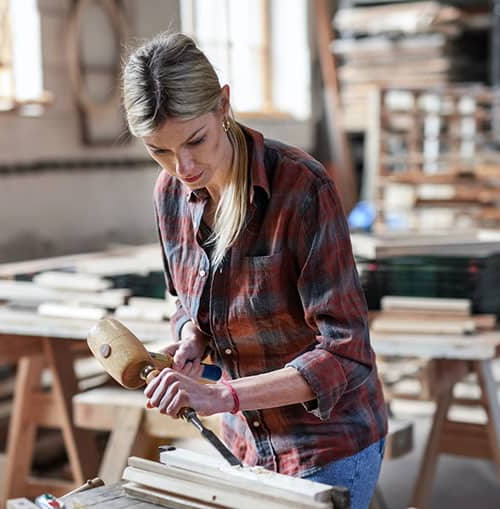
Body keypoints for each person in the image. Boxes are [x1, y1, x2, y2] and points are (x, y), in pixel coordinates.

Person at [121, 32, 387, 509]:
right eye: (158, 150)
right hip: (242, 442)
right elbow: (186, 300)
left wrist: (221, 395)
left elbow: (346, 353)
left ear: (223, 104)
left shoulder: (301, 188)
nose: (182, 167)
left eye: (195, 141)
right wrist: (190, 340)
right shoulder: (169, 194)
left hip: (324, 442)